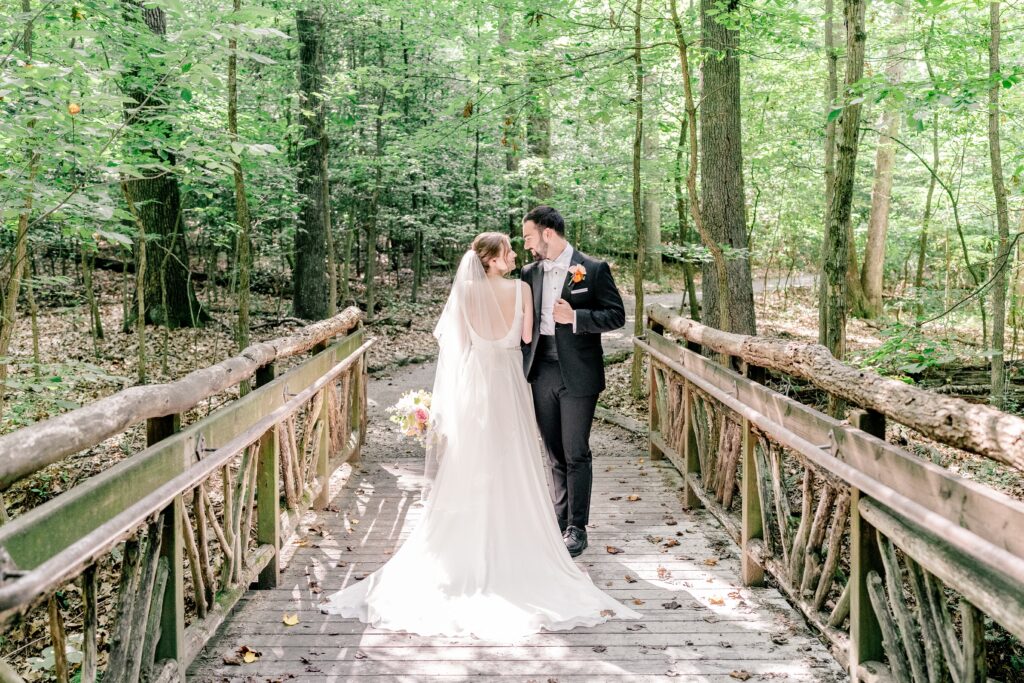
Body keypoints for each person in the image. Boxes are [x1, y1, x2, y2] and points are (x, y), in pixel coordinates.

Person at [321, 232, 639, 639]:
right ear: (491, 260)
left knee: (472, 459)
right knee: (515, 458)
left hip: (474, 383)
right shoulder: (522, 287)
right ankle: (518, 534)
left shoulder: (465, 293)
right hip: (509, 381)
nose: (515, 253)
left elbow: (456, 347)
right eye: (508, 249)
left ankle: (469, 541)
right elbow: (527, 338)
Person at [520, 206, 626, 557]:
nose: (528, 246)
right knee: (552, 453)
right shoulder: (528, 273)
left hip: (579, 373)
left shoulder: (592, 269)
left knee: (575, 452)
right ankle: (558, 522)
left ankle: (576, 528)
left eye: (530, 238)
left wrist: (576, 317)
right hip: (541, 371)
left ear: (548, 233)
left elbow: (616, 316)